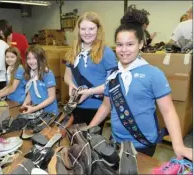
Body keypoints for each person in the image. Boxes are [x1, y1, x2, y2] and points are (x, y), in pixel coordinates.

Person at [88, 13, 193, 160]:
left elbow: (168, 111)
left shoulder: (153, 74)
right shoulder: (112, 75)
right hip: (115, 141)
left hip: (143, 145)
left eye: (130, 44)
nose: (124, 49)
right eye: (119, 45)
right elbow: (105, 106)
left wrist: (178, 145)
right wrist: (89, 129)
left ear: (141, 44)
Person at [64, 12, 117, 131]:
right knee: (73, 142)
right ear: (78, 30)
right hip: (75, 105)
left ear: (98, 29)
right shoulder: (73, 50)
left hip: (97, 107)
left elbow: (113, 84)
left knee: (91, 145)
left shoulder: (106, 52)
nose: (87, 32)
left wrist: (89, 91)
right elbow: (67, 76)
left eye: (91, 28)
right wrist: (71, 84)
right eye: (83, 29)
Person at [21, 45, 58, 115]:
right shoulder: (30, 74)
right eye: (28, 58)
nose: (31, 61)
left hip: (50, 113)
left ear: (41, 59)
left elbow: (52, 97)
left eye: (35, 58)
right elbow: (30, 94)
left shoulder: (47, 74)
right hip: (37, 112)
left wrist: (34, 108)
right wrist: (24, 104)